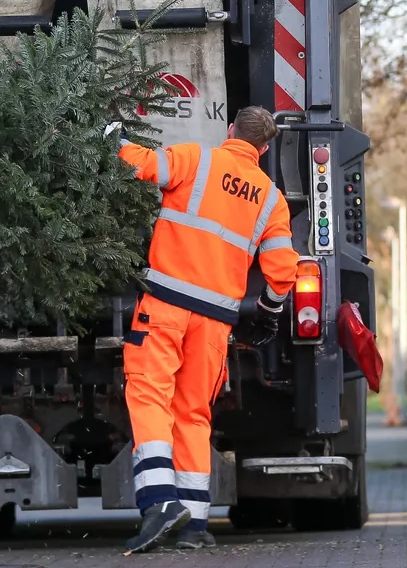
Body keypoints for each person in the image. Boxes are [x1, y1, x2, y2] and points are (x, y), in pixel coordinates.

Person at [105, 106, 299, 553]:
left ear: (230, 130)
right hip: (215, 322)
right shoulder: (271, 199)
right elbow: (283, 271)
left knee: (149, 393)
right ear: (264, 149)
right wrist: (267, 313)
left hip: (166, 306)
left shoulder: (198, 159)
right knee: (193, 412)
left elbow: (144, 166)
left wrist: (113, 135)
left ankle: (158, 503)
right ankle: (194, 525)